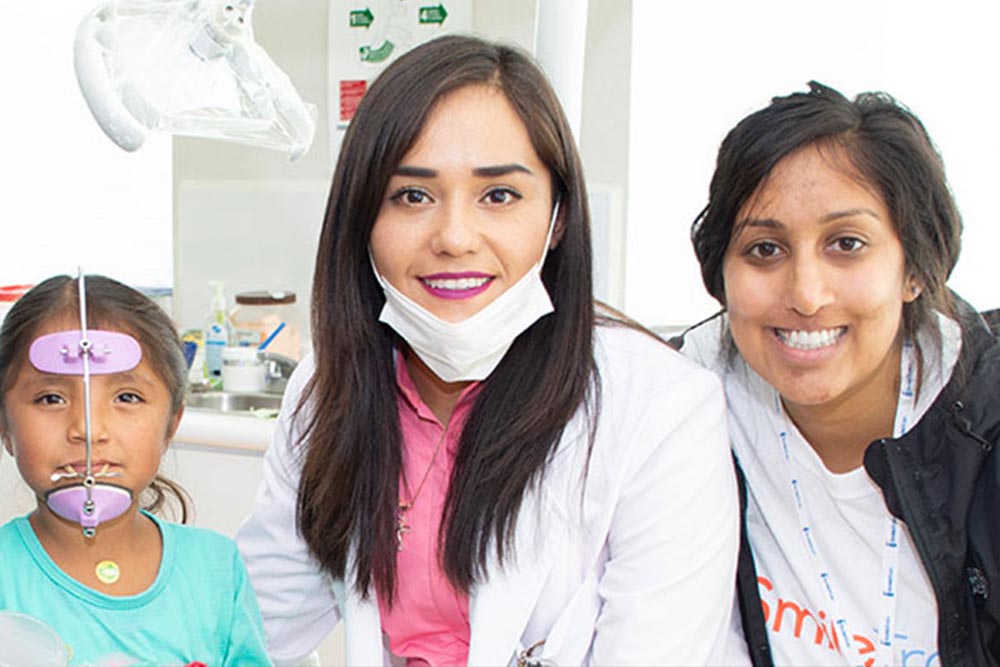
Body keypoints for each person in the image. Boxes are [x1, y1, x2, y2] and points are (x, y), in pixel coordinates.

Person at [236, 34, 739, 666]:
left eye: (498, 195)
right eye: (412, 196)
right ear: (362, 217)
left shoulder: (662, 407)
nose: (454, 236)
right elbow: (255, 622)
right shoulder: (330, 391)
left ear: (557, 219)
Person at [678, 81, 1000, 667]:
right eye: (764, 250)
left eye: (846, 244)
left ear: (914, 270)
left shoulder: (987, 421)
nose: (805, 294)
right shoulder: (678, 410)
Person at [0, 274, 270, 666]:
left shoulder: (216, 571)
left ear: (172, 423)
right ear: (5, 425)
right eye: (51, 398)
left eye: (127, 397)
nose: (88, 429)